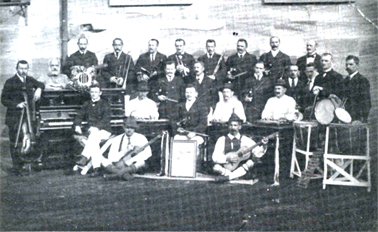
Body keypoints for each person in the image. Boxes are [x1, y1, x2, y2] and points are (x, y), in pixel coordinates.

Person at [1, 60, 45, 175]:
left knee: (28, 138)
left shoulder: (30, 80)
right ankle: (17, 167)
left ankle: (28, 161)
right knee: (16, 140)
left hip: (28, 116)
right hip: (14, 117)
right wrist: (17, 104)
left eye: (25, 68)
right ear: (17, 68)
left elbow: (41, 84)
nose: (23, 71)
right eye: (21, 68)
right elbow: (3, 100)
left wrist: (39, 89)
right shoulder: (10, 81)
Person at [212, 113, 268, 182]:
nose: (233, 128)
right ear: (228, 126)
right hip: (226, 166)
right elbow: (215, 157)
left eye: (235, 125)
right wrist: (227, 158)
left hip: (240, 167)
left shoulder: (245, 139)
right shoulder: (221, 139)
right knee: (216, 167)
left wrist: (264, 145)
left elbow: (258, 153)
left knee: (250, 163)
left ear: (240, 127)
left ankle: (228, 177)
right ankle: (234, 176)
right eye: (231, 125)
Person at [74, 82, 112, 177]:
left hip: (104, 130)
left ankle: (84, 157)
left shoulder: (105, 104)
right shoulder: (87, 104)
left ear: (100, 93)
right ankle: (96, 168)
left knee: (94, 136)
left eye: (96, 92)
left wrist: (96, 127)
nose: (94, 94)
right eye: (92, 92)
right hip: (92, 133)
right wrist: (77, 125)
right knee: (94, 141)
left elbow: (106, 119)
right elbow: (79, 115)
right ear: (90, 93)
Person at [171, 84, 208, 151]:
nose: (189, 94)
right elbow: (174, 120)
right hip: (182, 134)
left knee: (194, 142)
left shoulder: (202, 106)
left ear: (196, 94)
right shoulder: (180, 106)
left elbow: (203, 123)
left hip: (197, 135)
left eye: (191, 92)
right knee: (177, 139)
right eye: (187, 92)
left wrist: (194, 132)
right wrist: (177, 128)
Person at [341, 55, 371, 124]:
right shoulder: (344, 81)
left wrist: (361, 119)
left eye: (351, 64)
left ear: (357, 65)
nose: (348, 67)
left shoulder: (362, 80)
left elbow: (366, 102)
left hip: (356, 118)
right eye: (346, 65)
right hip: (344, 117)